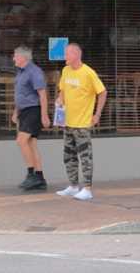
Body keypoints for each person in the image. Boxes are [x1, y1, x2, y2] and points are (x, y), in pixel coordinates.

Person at [55, 43, 107, 201]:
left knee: (85, 157)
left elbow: (103, 92)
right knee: (68, 156)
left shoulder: (88, 73)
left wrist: (97, 115)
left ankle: (87, 189)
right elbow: (62, 90)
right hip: (68, 122)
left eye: (67, 54)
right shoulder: (66, 71)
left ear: (76, 55)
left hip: (82, 123)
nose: (65, 57)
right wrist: (60, 100)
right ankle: (73, 186)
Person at [11, 45, 50, 191]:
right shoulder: (20, 72)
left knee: (21, 141)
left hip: (33, 110)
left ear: (23, 57)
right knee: (31, 143)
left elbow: (42, 95)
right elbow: (20, 94)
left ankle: (31, 174)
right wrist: (16, 111)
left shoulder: (34, 72)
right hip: (24, 111)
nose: (13, 58)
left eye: (15, 55)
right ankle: (39, 177)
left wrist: (44, 115)